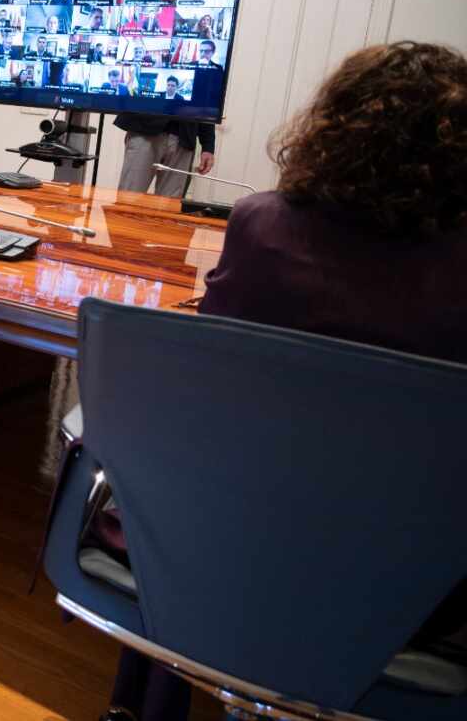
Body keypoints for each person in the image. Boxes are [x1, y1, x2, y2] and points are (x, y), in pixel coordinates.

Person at [102, 41, 467, 721]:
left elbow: (209, 375)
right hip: (407, 580)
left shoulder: (265, 226)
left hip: (226, 539)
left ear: (334, 129)